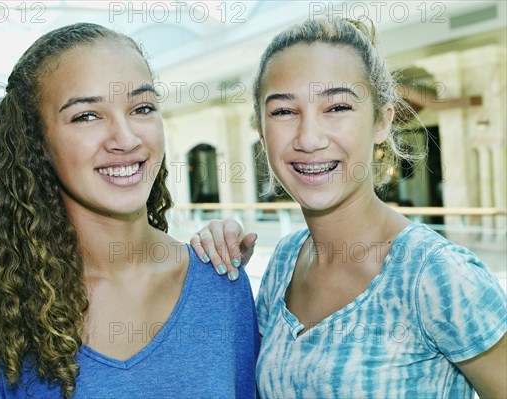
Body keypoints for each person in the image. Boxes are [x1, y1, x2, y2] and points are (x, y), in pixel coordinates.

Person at [0, 23, 259, 399]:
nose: (126, 139)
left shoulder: (220, 283)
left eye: (142, 108)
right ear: (38, 142)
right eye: (87, 116)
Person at [191, 17, 507, 398]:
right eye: (283, 112)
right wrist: (215, 267)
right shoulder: (284, 263)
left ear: (382, 121)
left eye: (337, 106)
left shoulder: (437, 275)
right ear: (261, 131)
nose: (309, 138)